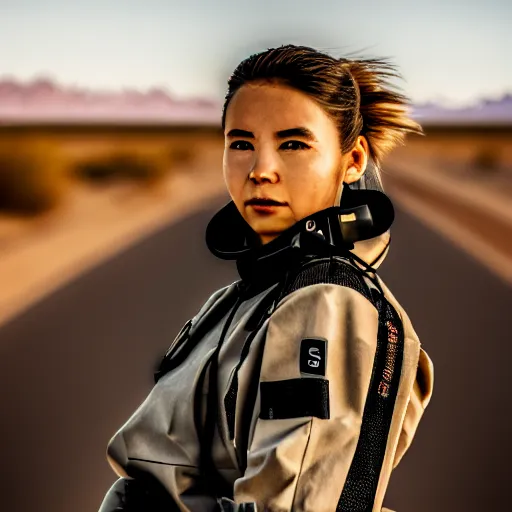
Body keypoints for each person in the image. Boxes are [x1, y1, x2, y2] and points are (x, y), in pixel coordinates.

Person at [98, 44, 434, 512]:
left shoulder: (327, 305)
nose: (260, 171)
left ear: (353, 159)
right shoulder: (243, 297)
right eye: (241, 143)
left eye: (293, 144)